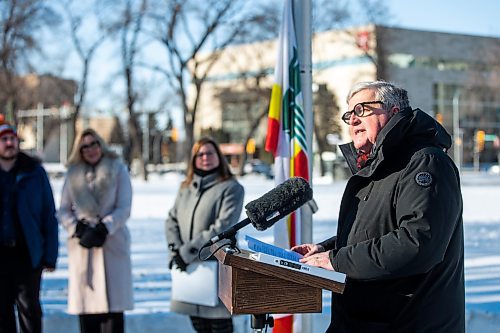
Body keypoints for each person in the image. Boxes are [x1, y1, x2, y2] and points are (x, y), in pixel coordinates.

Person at [292, 81, 464, 332]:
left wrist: (336, 260)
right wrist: (326, 249)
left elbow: (416, 243)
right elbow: (377, 230)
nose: (353, 120)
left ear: (393, 111)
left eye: (362, 109)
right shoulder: (379, 165)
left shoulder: (424, 161)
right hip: (363, 321)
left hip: (408, 323)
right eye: (349, 114)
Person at [166, 137, 244, 333]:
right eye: (200, 154)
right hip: (190, 270)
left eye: (210, 153)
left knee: (220, 326)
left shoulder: (232, 188)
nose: (205, 157)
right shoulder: (185, 188)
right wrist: (176, 250)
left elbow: (223, 227)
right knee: (198, 326)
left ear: (219, 156)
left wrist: (186, 252)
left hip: (216, 270)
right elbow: (171, 220)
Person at [58, 128, 133, 333]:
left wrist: (104, 228)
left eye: (94, 144)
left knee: (112, 312)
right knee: (88, 312)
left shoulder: (118, 169)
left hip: (112, 244)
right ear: (79, 151)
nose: (90, 149)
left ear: (101, 145)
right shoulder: (72, 175)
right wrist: (78, 229)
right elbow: (63, 209)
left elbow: (124, 208)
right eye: (85, 147)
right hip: (83, 247)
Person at [0, 119, 58, 333]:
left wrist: (50, 255)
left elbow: (48, 216)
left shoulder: (34, 172)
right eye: (4, 139)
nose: (8, 143)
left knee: (29, 310)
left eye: (12, 139)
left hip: (27, 253)